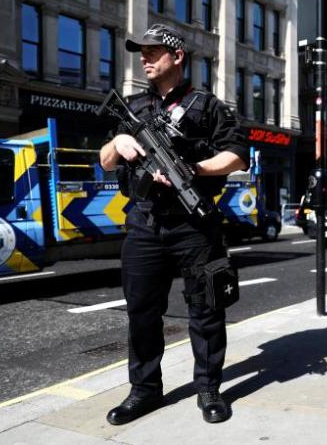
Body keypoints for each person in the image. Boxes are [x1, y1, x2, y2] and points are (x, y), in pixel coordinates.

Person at [99, 24, 249, 425]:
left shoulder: (209, 106)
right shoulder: (134, 107)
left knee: (206, 308)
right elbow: (105, 160)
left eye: (152, 51)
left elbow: (238, 155)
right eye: (140, 52)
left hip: (194, 223)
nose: (144, 58)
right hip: (145, 222)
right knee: (142, 312)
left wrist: (193, 168)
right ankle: (145, 390)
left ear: (177, 56)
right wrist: (119, 143)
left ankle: (208, 389)